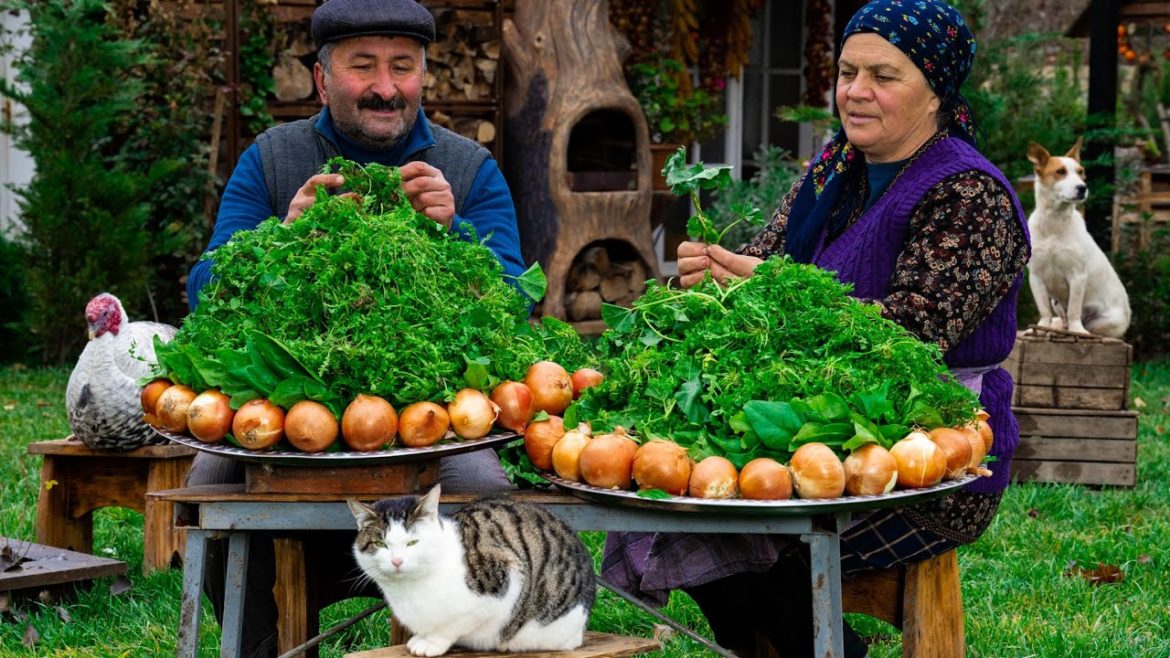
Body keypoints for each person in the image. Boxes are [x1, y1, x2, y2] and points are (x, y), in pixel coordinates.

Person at [604, 1, 1030, 656]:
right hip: (805, 426)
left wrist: (768, 286)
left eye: (883, 76)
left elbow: (910, 338)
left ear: (936, 90)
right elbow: (766, 273)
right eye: (847, 72)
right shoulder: (833, 172)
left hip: (924, 455)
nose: (855, 93)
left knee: (723, 532)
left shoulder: (969, 195)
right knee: (681, 501)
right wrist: (716, 283)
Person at [184, 1, 519, 655]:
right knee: (209, 488)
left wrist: (459, 235)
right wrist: (281, 236)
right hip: (286, 405)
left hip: (431, 419)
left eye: (403, 67)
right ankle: (257, 644)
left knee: (488, 503)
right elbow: (205, 292)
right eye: (363, 66)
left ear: (424, 74)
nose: (386, 87)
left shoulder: (469, 170)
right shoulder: (272, 160)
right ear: (322, 78)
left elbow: (515, 304)